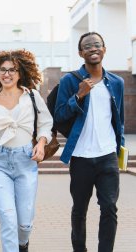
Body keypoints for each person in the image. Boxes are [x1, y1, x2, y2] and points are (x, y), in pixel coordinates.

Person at [0, 49, 53, 252]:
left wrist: (42, 143)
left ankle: (23, 244)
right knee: (8, 219)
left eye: (12, 70)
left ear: (20, 74)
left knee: (24, 222)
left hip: (26, 160)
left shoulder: (32, 96)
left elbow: (46, 123)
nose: (7, 74)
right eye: (3, 70)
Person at [54, 32, 124, 252]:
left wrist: (119, 148)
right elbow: (59, 115)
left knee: (110, 208)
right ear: (80, 53)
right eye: (87, 46)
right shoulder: (70, 81)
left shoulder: (117, 82)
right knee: (79, 210)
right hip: (81, 156)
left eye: (97, 45)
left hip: (108, 156)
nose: (93, 49)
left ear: (104, 49)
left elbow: (118, 118)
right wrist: (79, 96)